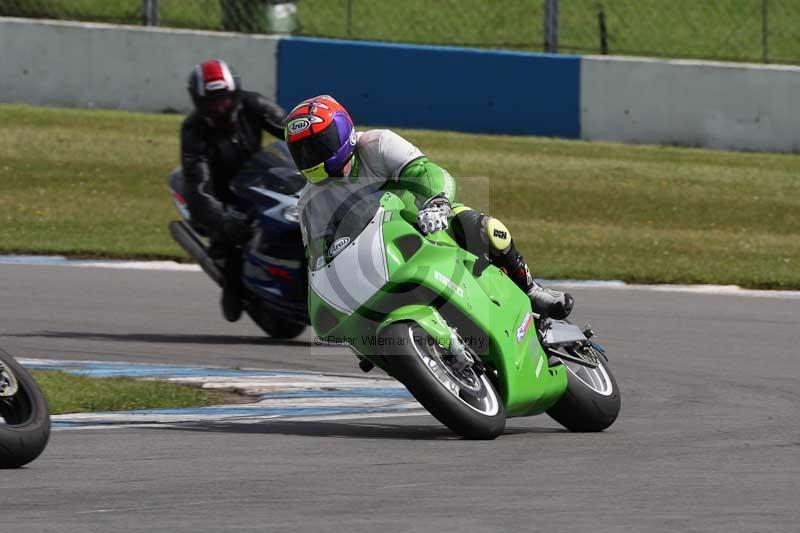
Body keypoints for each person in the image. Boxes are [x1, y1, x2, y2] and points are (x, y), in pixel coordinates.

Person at [285, 95, 573, 319]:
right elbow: (318, 259)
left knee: (487, 229)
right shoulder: (310, 201)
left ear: (344, 129)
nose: (313, 156)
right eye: (303, 151)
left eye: (321, 143)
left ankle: (531, 290)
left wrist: (437, 204)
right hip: (373, 260)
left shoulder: (378, 144)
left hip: (425, 223)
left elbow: (428, 172)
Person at [181, 58, 287, 322]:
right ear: (198, 102)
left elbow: (292, 129)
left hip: (260, 178)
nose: (221, 106)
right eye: (212, 101)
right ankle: (233, 279)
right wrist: (224, 220)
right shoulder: (194, 130)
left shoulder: (253, 105)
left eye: (225, 98)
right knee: (233, 242)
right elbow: (198, 188)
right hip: (221, 195)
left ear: (235, 93)